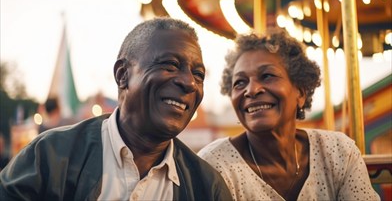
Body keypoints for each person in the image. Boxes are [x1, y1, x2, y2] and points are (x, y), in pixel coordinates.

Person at [0, 17, 232, 201]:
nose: (189, 82)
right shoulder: (51, 156)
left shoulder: (207, 187)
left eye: (199, 75)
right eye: (170, 65)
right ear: (123, 75)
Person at [198, 29, 380, 200]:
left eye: (267, 75)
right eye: (240, 82)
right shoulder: (214, 165)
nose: (251, 90)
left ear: (300, 93)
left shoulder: (338, 153)